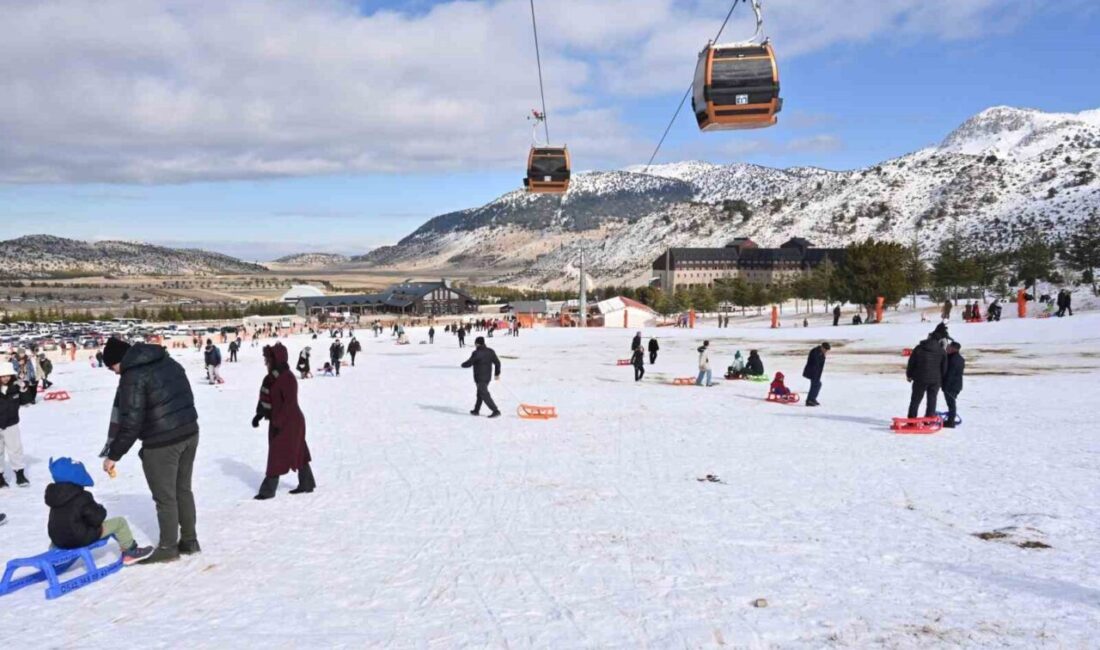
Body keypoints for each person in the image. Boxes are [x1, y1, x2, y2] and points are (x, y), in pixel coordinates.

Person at [100, 337, 200, 563]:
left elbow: (131, 422)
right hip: (189, 431)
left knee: (165, 498)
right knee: (183, 490)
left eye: (112, 367)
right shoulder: (167, 360)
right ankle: (190, 541)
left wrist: (114, 455)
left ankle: (168, 547)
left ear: (118, 360)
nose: (114, 372)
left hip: (162, 443)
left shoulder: (132, 376)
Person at [45, 457, 154, 564]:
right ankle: (130, 551)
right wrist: (100, 509)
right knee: (120, 522)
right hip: (80, 538)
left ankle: (52, 557)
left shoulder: (54, 497)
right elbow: (96, 518)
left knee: (63, 527)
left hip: (58, 540)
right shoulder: (82, 496)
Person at [252, 344, 315, 500]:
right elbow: (266, 397)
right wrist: (259, 415)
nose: (266, 363)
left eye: (268, 360)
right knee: (297, 451)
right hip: (280, 421)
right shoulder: (270, 378)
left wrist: (278, 422)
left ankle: (268, 491)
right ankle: (307, 483)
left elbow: (289, 404)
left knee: (278, 454)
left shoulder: (288, 378)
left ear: (276, 360)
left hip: (290, 422)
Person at [906, 333, 947, 420]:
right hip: (935, 380)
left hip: (920, 378)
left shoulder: (919, 348)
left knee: (916, 400)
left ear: (929, 338)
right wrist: (942, 379)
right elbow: (944, 367)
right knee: (932, 400)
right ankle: (929, 419)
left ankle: (911, 419)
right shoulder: (941, 351)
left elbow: (911, 362)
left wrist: (909, 375)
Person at [0, 367, 29, 488]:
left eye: (8, 376)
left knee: (15, 449)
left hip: (11, 424)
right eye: (3, 376)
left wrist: (23, 389)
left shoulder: (15, 387)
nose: (6, 378)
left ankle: (20, 475)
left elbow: (26, 401)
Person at [461, 337, 501, 418]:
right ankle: (476, 410)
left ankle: (495, 410)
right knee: (480, 393)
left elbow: (469, 363)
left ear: (477, 343)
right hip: (487, 377)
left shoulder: (476, 353)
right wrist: (497, 374)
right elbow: (497, 363)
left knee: (484, 393)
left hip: (479, 377)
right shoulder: (490, 351)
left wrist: (463, 364)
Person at [942, 342, 965, 428]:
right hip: (956, 384)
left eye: (949, 347)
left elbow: (950, 374)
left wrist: (945, 386)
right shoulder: (959, 358)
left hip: (951, 386)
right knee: (951, 403)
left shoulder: (953, 360)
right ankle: (950, 420)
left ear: (953, 349)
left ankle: (950, 422)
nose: (947, 348)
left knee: (951, 404)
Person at [802, 342, 830, 407]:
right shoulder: (815, 351)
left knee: (818, 384)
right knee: (815, 385)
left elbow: (820, 366)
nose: (826, 351)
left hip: (816, 373)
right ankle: (809, 400)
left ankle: (812, 399)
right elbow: (815, 363)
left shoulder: (822, 353)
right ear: (822, 347)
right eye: (825, 349)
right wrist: (822, 355)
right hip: (811, 372)